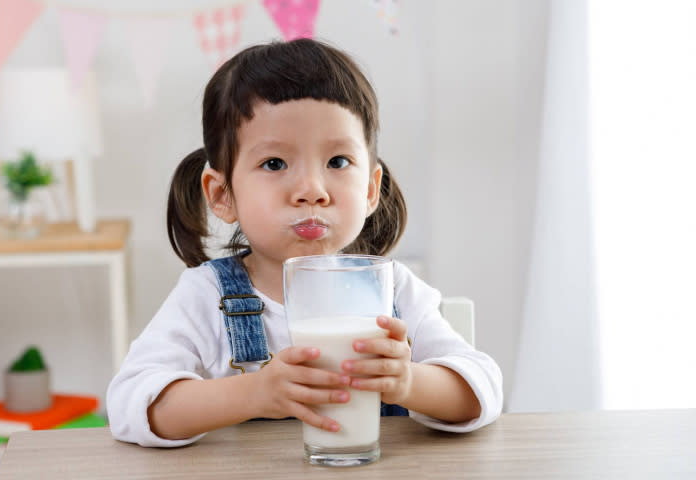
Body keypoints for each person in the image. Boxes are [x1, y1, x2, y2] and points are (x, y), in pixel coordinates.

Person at [107, 38, 503, 447]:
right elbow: (130, 406)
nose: (312, 190)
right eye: (274, 164)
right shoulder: (205, 296)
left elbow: (483, 390)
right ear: (222, 195)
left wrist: (408, 382)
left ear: (370, 190)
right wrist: (254, 393)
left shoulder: (394, 291)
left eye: (337, 162)